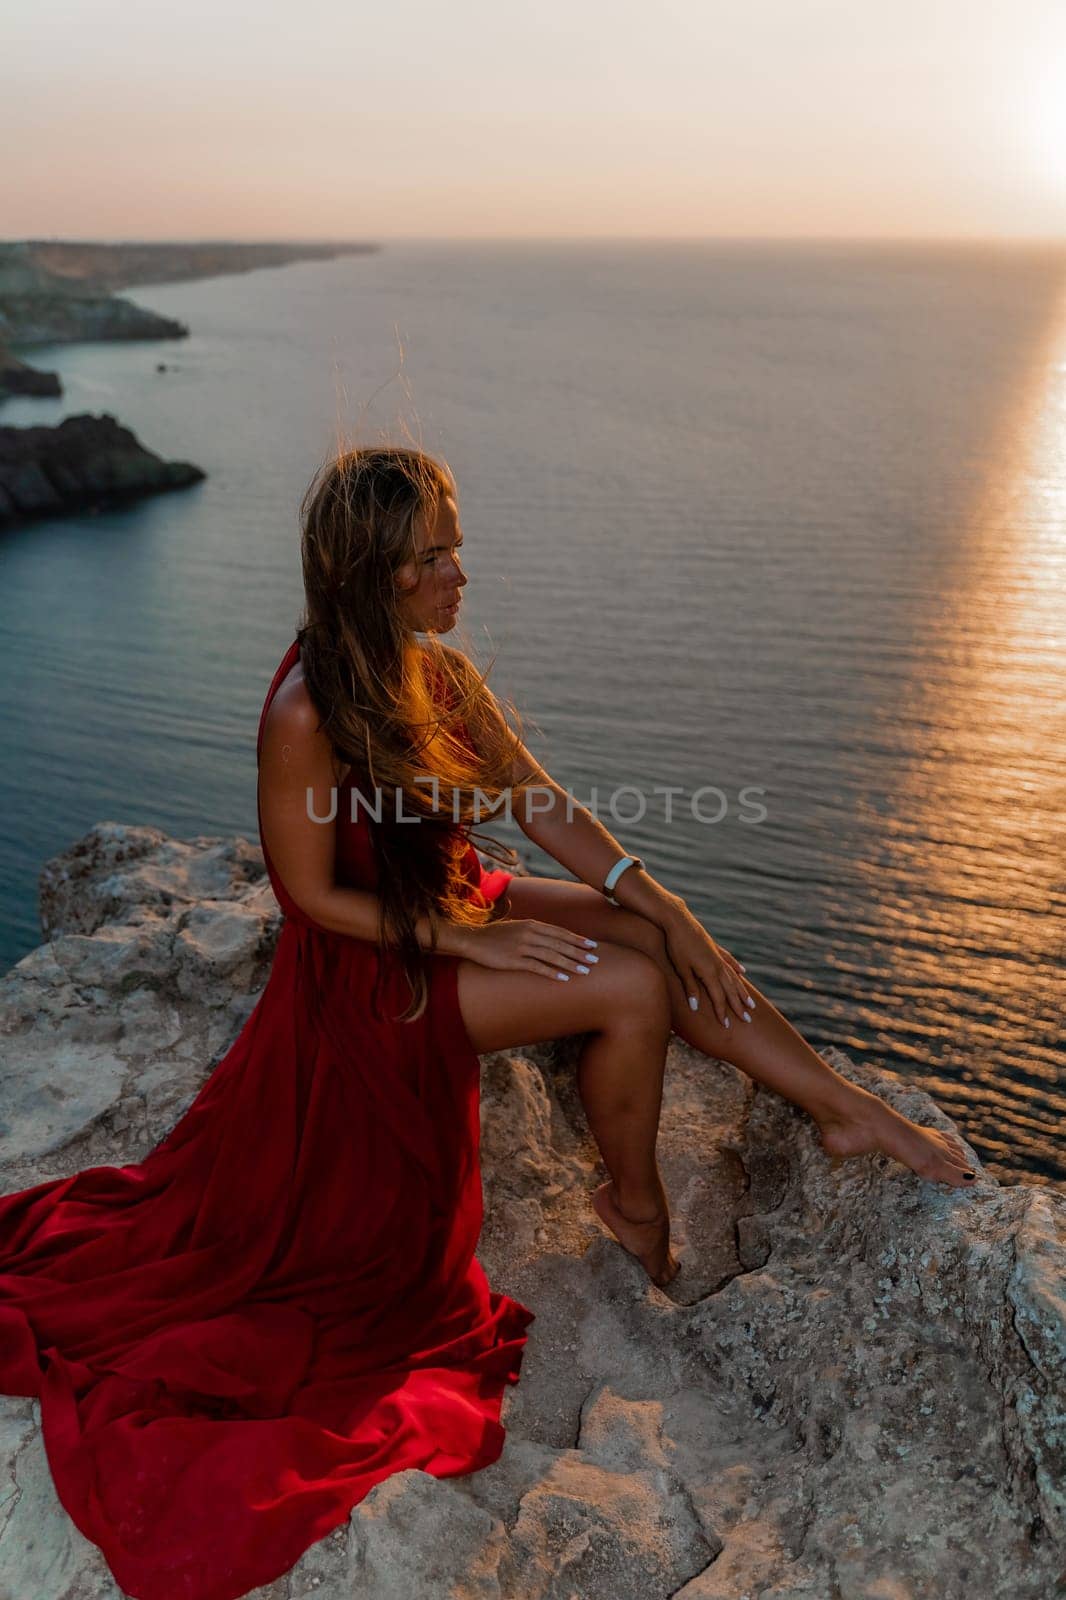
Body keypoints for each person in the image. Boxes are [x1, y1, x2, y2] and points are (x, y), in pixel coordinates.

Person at [0, 444, 976, 1600]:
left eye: (457, 545)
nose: (460, 571)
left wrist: (671, 904)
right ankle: (634, 1203)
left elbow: (541, 805)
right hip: (369, 981)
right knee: (628, 985)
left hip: (454, 904)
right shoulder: (306, 709)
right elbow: (310, 897)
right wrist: (474, 941)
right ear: (373, 574)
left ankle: (844, 1109)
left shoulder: (439, 674)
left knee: (662, 940)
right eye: (433, 556)